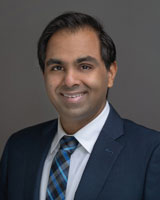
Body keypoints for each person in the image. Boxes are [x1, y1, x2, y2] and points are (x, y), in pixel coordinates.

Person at [0, 12, 160, 200]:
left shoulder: (151, 152)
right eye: (57, 68)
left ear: (110, 73)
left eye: (84, 66)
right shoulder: (18, 149)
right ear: (44, 75)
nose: (69, 81)